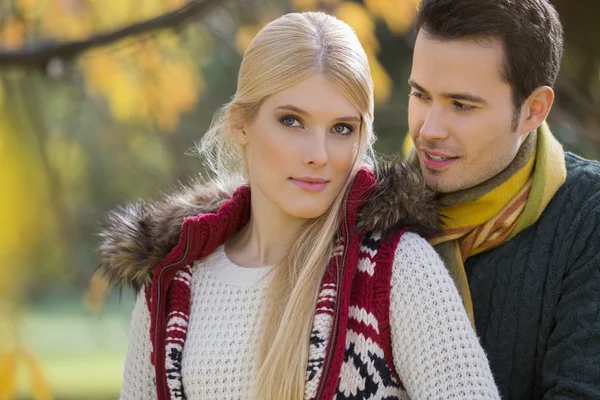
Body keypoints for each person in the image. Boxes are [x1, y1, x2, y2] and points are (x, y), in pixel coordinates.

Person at [97, 11, 500, 400]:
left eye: (342, 129)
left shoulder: (396, 270)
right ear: (241, 124)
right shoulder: (173, 278)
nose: (319, 154)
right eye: (292, 121)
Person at [405, 0, 600, 398]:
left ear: (533, 110)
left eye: (461, 105)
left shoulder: (588, 215)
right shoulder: (371, 211)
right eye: (421, 95)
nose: (428, 130)